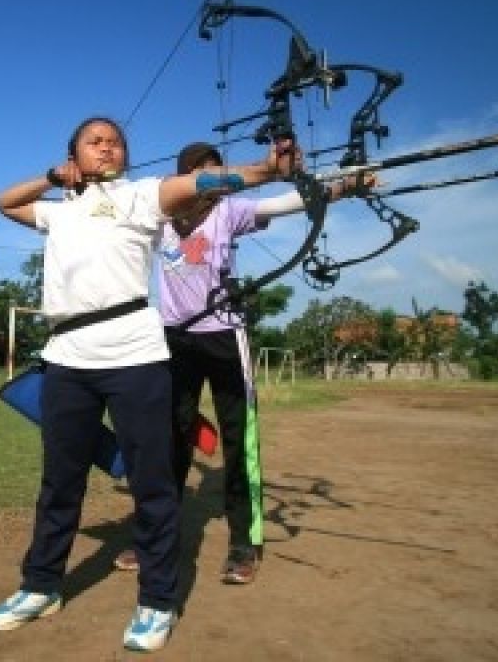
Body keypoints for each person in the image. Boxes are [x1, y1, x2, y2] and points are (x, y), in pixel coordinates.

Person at [0, 116, 301, 653]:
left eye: (115, 142)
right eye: (95, 142)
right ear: (73, 155)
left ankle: (157, 598)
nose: (108, 148)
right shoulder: (58, 213)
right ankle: (41, 585)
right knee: (59, 482)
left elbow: (204, 183)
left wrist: (268, 169)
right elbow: (5, 201)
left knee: (153, 484)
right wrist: (52, 178)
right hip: (66, 357)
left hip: (134, 356)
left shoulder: (142, 196)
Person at [112, 141, 366, 586]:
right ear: (183, 179)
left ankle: (243, 544)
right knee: (169, 440)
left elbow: (287, 200)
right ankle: (153, 537)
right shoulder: (160, 218)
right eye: (207, 176)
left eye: (222, 176)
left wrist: (343, 187)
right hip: (174, 338)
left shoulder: (230, 212)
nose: (218, 184)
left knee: (238, 442)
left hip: (225, 338)